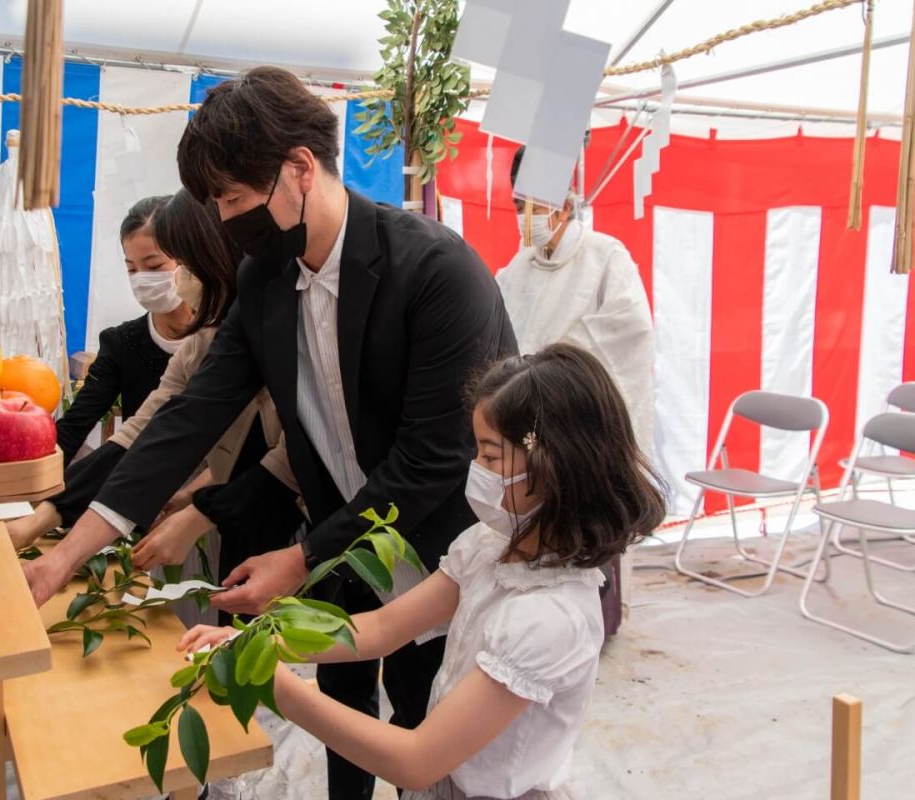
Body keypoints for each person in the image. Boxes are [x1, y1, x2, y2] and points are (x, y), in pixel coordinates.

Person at [38, 66, 516, 798]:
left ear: (298, 168)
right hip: (339, 539)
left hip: (439, 544)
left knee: (431, 729)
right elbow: (192, 414)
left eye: (232, 198)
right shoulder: (267, 278)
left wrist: (299, 559)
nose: (226, 221)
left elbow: (433, 459)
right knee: (340, 708)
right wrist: (68, 550)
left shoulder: (434, 271)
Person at [179, 344, 668, 800]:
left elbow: (416, 761)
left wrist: (278, 686)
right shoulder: (490, 546)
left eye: (491, 456)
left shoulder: (549, 617)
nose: (476, 468)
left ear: (555, 463)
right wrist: (255, 643)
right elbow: (380, 628)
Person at [16, 189, 304, 626]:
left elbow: (293, 454)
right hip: (236, 513)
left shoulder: (285, 324)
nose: (179, 280)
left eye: (171, 264)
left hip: (316, 516)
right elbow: (147, 431)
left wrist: (199, 510)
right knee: (230, 637)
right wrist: (50, 533)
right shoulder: (204, 341)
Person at [497, 146, 655, 457]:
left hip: (582, 412)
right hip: (526, 407)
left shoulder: (606, 255)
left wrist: (551, 367)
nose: (525, 219)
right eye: (519, 207)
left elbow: (630, 328)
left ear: (564, 208)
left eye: (534, 209)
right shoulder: (519, 265)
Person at [54, 196, 189, 464]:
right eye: (131, 269)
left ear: (190, 257)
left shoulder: (223, 335)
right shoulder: (122, 343)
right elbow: (74, 427)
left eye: (153, 267)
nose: (141, 278)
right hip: (139, 485)